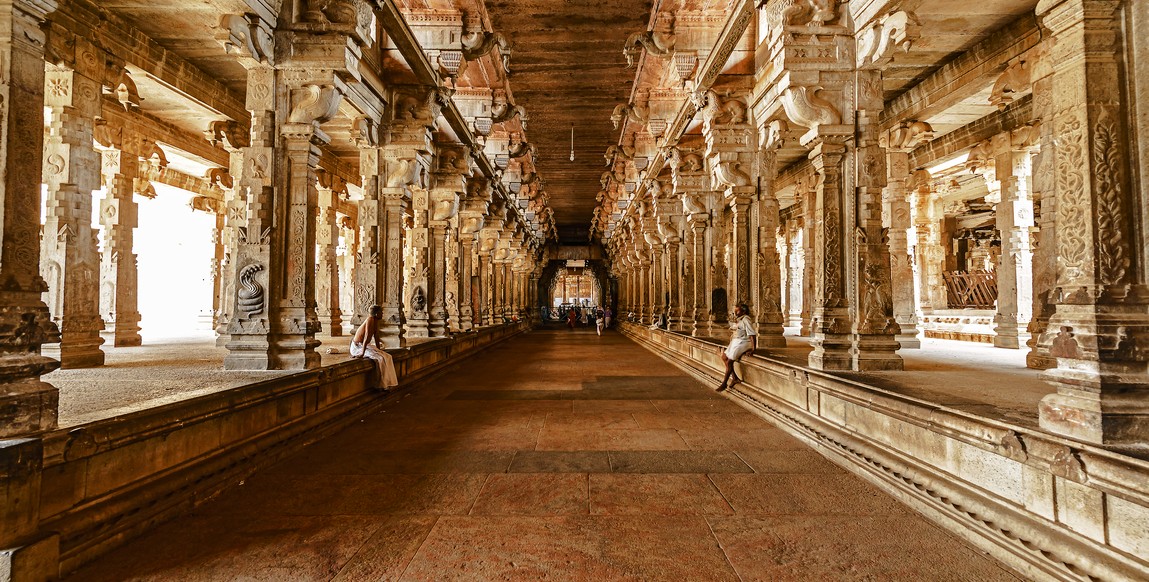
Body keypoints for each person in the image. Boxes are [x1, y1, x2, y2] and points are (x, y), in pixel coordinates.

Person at [350, 305, 398, 390]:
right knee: (380, 359)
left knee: (388, 356)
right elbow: (366, 337)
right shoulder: (370, 320)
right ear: (376, 314)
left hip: (365, 345)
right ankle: (382, 385)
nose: (382, 314)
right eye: (381, 312)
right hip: (358, 347)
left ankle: (390, 383)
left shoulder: (375, 321)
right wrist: (362, 353)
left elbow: (376, 336)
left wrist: (379, 349)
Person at [718, 303, 756, 392]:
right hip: (736, 341)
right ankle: (734, 377)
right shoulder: (740, 319)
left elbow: (752, 335)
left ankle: (724, 383)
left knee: (730, 361)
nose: (735, 312)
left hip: (744, 342)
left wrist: (753, 349)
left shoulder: (746, 319)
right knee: (724, 357)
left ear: (743, 311)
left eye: (737, 311)